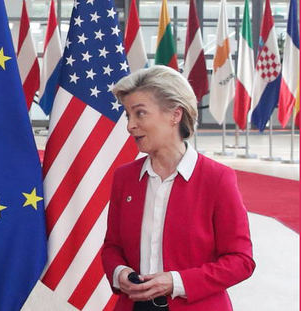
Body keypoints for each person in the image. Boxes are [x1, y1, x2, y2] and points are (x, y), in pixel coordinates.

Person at [101, 65, 255, 310]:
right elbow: (112, 247)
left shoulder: (217, 178)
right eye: (128, 115)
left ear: (175, 115)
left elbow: (241, 261)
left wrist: (175, 282)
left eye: (140, 114)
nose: (130, 125)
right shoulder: (124, 178)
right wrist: (120, 272)